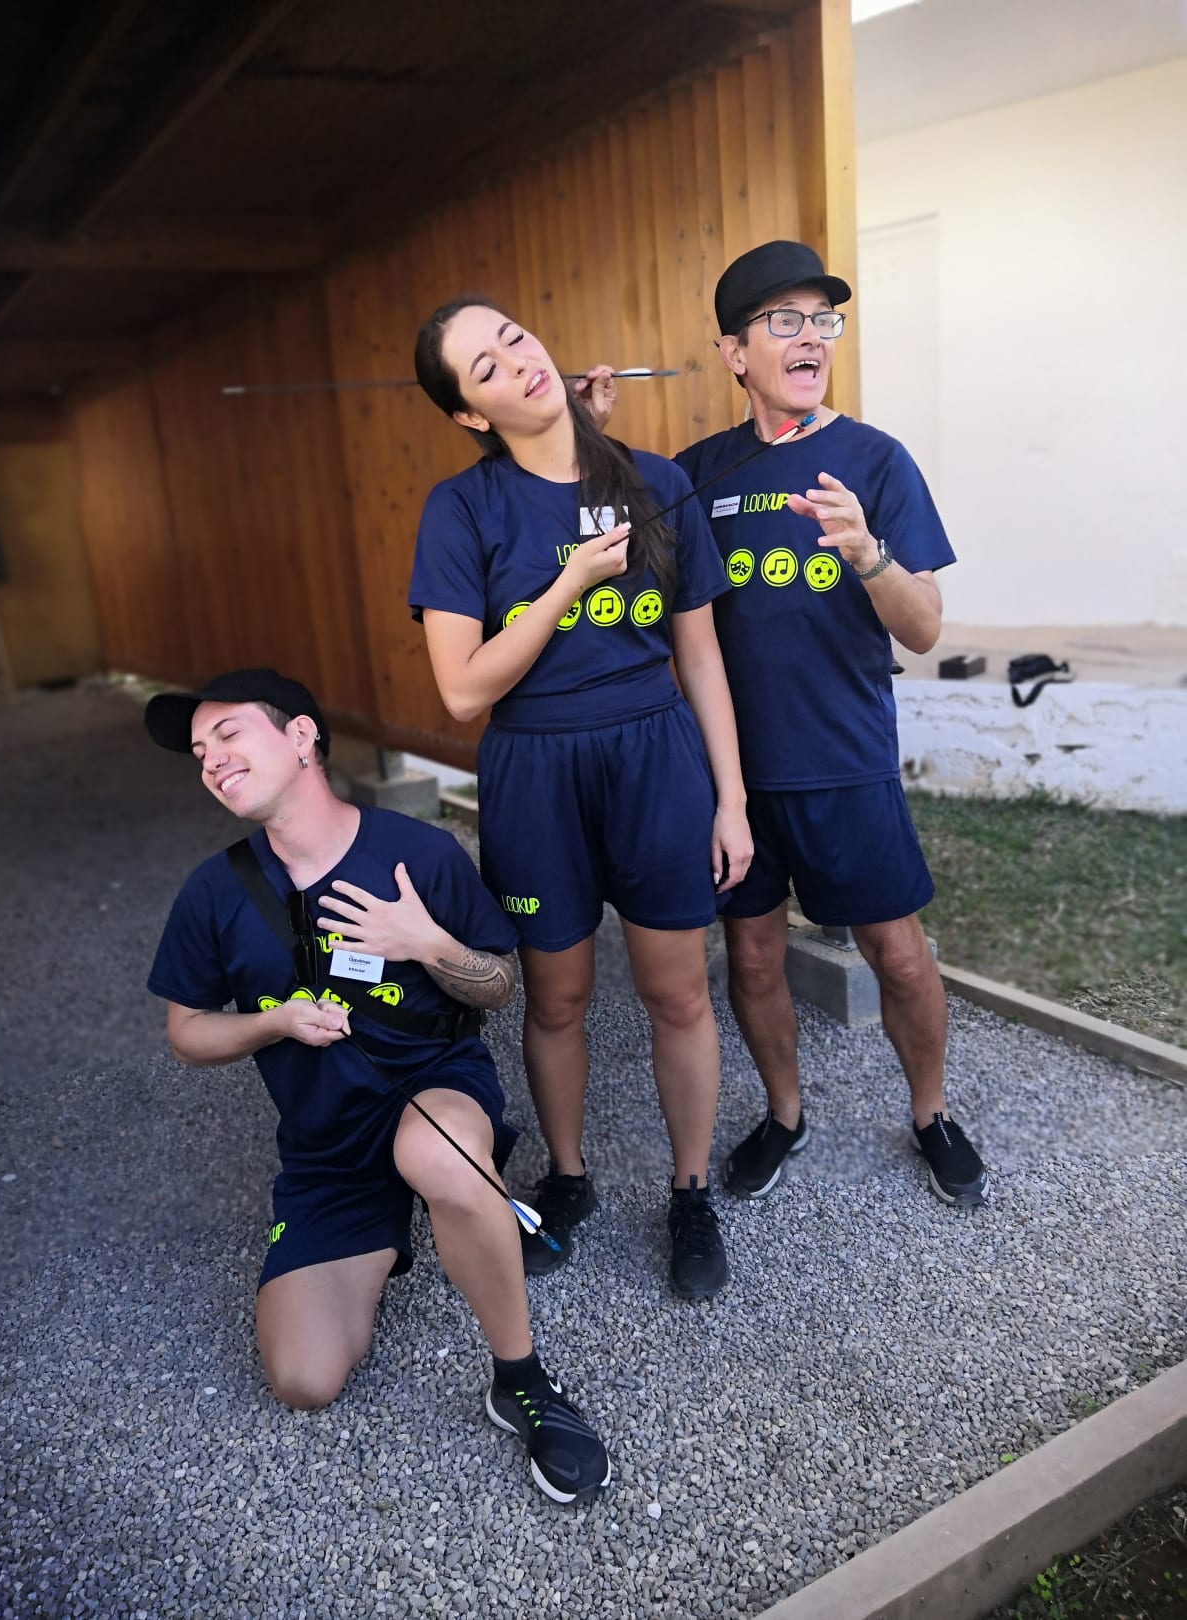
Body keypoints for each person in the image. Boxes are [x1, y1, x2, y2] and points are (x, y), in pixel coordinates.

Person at [144, 667, 610, 1503]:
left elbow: (499, 986)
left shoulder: (416, 853)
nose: (210, 759)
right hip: (328, 1147)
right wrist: (272, 1024)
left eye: (228, 734)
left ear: (300, 737)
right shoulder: (214, 891)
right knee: (303, 1378)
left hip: (434, 1089)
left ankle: (521, 1380)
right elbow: (187, 1033)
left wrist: (426, 942)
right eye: (199, 750)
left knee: (436, 1157)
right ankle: (431, 1215)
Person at [602, 239, 988, 1209]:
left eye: (823, 320)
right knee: (752, 956)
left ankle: (931, 1112)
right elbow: (613, 538)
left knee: (896, 952)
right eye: (784, 320)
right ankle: (784, 1115)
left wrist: (867, 553)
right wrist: (582, 425)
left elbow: (924, 628)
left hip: (845, 762)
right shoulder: (696, 474)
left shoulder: (875, 460)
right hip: (733, 779)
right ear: (736, 353)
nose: (810, 336)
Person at [409, 298, 754, 1300]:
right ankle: (568, 1177)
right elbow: (462, 689)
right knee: (556, 998)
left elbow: (700, 654)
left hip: (655, 755)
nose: (515, 360)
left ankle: (690, 1191)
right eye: (483, 367)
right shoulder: (462, 509)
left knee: (678, 992)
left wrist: (731, 799)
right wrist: (565, 584)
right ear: (470, 414)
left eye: (513, 337)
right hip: (535, 766)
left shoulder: (656, 482)